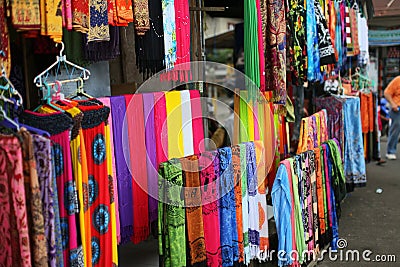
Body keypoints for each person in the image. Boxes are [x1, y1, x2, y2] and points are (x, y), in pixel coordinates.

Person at [384, 76, 400, 159]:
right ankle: (390, 151)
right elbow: (387, 93)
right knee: (395, 129)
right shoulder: (397, 80)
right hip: (397, 108)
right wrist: (392, 103)